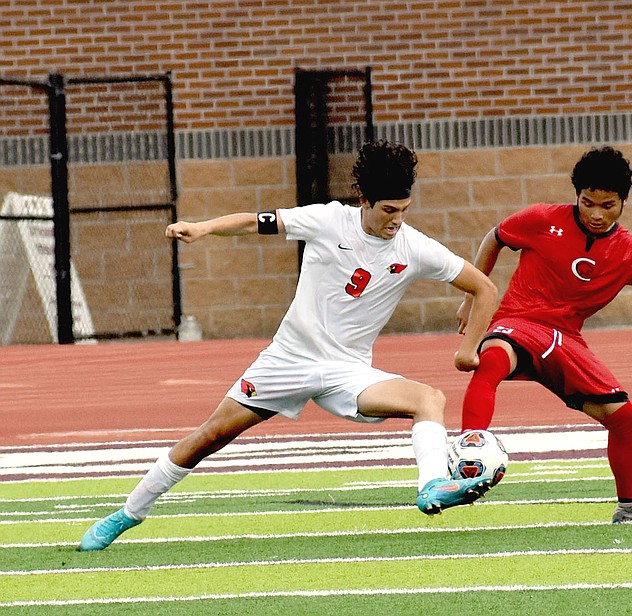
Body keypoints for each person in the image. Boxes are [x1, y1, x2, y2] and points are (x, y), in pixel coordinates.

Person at [80, 140, 498, 551]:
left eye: (404, 210)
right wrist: (203, 228)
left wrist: (469, 346)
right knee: (209, 436)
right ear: (364, 200)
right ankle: (126, 514)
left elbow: (484, 288)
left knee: (429, 398)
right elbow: (254, 223)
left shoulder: (416, 248)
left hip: (347, 372)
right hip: (287, 360)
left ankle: (431, 487)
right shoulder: (328, 220)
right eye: (388, 210)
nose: (396, 221)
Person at [456, 146, 632, 523]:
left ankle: (631, 508)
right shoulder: (543, 219)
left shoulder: (629, 250)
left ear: (623, 202)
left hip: (565, 340)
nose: (595, 213)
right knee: (493, 357)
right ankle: (467, 461)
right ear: (576, 195)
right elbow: (493, 238)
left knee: (624, 417)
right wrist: (471, 300)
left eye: (607, 205)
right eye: (587, 202)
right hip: (520, 319)